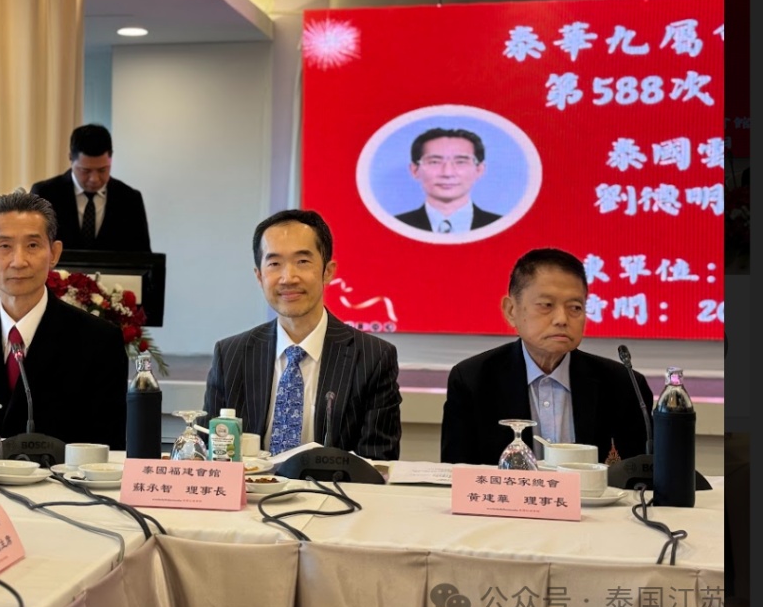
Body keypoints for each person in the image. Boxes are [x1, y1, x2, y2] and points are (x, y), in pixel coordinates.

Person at [0, 190, 128, 447]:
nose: (18, 262)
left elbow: (109, 446)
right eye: (5, 246)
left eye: (32, 245)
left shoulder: (98, 340)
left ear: (54, 253)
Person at [203, 209, 402, 460]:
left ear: (328, 271)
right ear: (259, 276)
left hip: (333, 485)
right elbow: (210, 453)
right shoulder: (231, 355)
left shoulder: (373, 358)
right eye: (274, 264)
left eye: (302, 261)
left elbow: (378, 460)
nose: (288, 278)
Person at [440, 248, 653, 466]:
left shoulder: (625, 385)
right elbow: (456, 474)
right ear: (511, 310)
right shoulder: (473, 380)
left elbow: (640, 475)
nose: (562, 319)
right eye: (546, 305)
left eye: (575, 307)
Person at [29, 124, 151, 252]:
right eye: (85, 171)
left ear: (111, 158)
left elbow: (143, 256)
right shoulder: (45, 194)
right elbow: (31, 247)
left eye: (102, 170)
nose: (94, 179)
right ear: (71, 158)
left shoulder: (130, 199)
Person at [394, 127, 501, 233]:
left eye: (460, 162)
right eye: (434, 162)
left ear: (479, 170)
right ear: (415, 170)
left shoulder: (500, 226)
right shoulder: (396, 226)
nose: (447, 173)